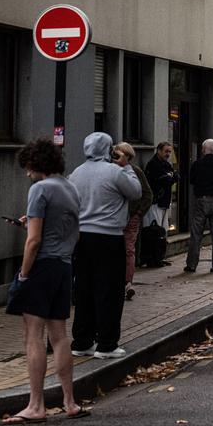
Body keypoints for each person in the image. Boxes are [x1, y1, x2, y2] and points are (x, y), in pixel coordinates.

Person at [1, 139, 88, 424]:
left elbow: (34, 240)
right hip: (64, 265)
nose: (27, 173)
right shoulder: (70, 188)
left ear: (36, 163)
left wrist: (24, 274)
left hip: (41, 267)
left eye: (28, 166)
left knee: (33, 335)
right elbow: (71, 231)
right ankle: (69, 401)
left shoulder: (39, 189)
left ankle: (36, 405)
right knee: (60, 335)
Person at [69, 132, 142, 360]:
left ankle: (82, 340)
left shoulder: (76, 173)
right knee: (109, 291)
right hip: (109, 236)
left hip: (82, 237)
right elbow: (136, 192)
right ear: (109, 150)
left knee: (84, 289)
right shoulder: (115, 172)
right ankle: (107, 344)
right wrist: (126, 166)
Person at [113, 143, 151, 300]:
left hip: (130, 217)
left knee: (128, 249)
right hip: (114, 218)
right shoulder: (111, 170)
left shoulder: (135, 172)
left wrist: (138, 214)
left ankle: (127, 283)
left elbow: (147, 194)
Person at [184, 139, 213, 273]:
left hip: (201, 200)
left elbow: (192, 180)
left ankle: (191, 264)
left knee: (196, 234)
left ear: (203, 149)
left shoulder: (197, 164)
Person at [143, 141, 178, 266]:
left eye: (169, 151)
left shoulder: (166, 165)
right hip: (156, 202)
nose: (168, 154)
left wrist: (171, 177)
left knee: (162, 231)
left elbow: (172, 177)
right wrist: (171, 178)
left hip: (163, 201)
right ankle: (153, 258)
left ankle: (159, 257)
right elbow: (166, 180)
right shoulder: (154, 165)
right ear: (159, 151)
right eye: (166, 151)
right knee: (154, 230)